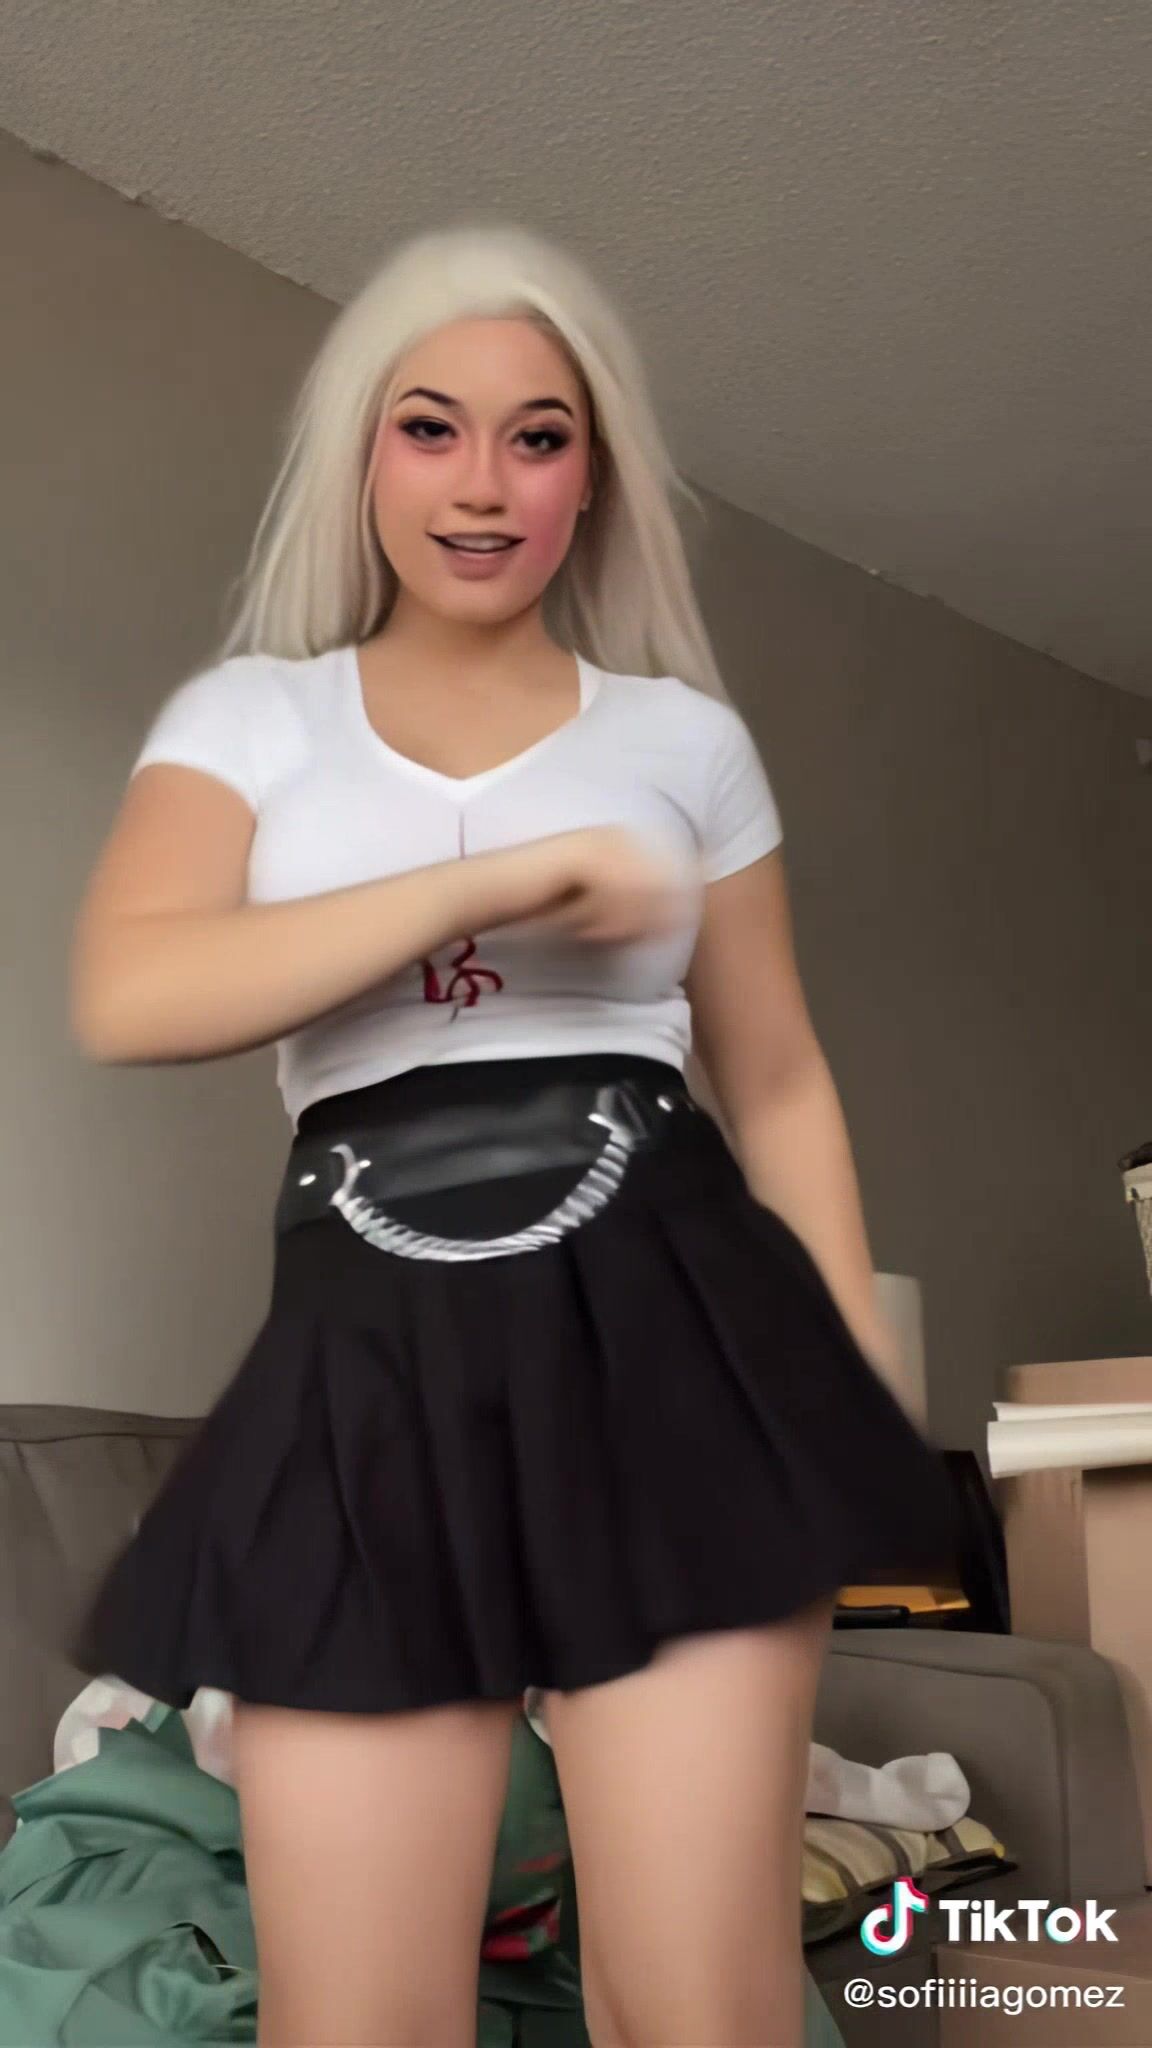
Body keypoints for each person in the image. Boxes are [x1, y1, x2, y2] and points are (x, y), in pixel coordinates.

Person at [68, 219, 955, 2048]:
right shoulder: (252, 723)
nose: (484, 483)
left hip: (676, 1333)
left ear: (591, 477)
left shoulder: (684, 741)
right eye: (432, 427)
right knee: (356, 2022)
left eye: (539, 437)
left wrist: (856, 1395)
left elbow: (780, 1079)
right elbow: (132, 993)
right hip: (364, 1359)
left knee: (701, 2009)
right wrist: (497, 880)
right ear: (365, 454)